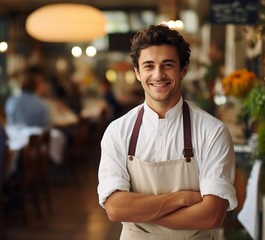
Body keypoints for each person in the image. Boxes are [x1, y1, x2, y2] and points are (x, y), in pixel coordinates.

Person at [97, 24, 237, 239]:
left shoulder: (212, 131)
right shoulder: (118, 131)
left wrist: (139, 213)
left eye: (168, 65)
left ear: (183, 70)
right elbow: (115, 208)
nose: (158, 74)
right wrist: (180, 199)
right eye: (149, 66)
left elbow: (211, 215)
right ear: (137, 72)